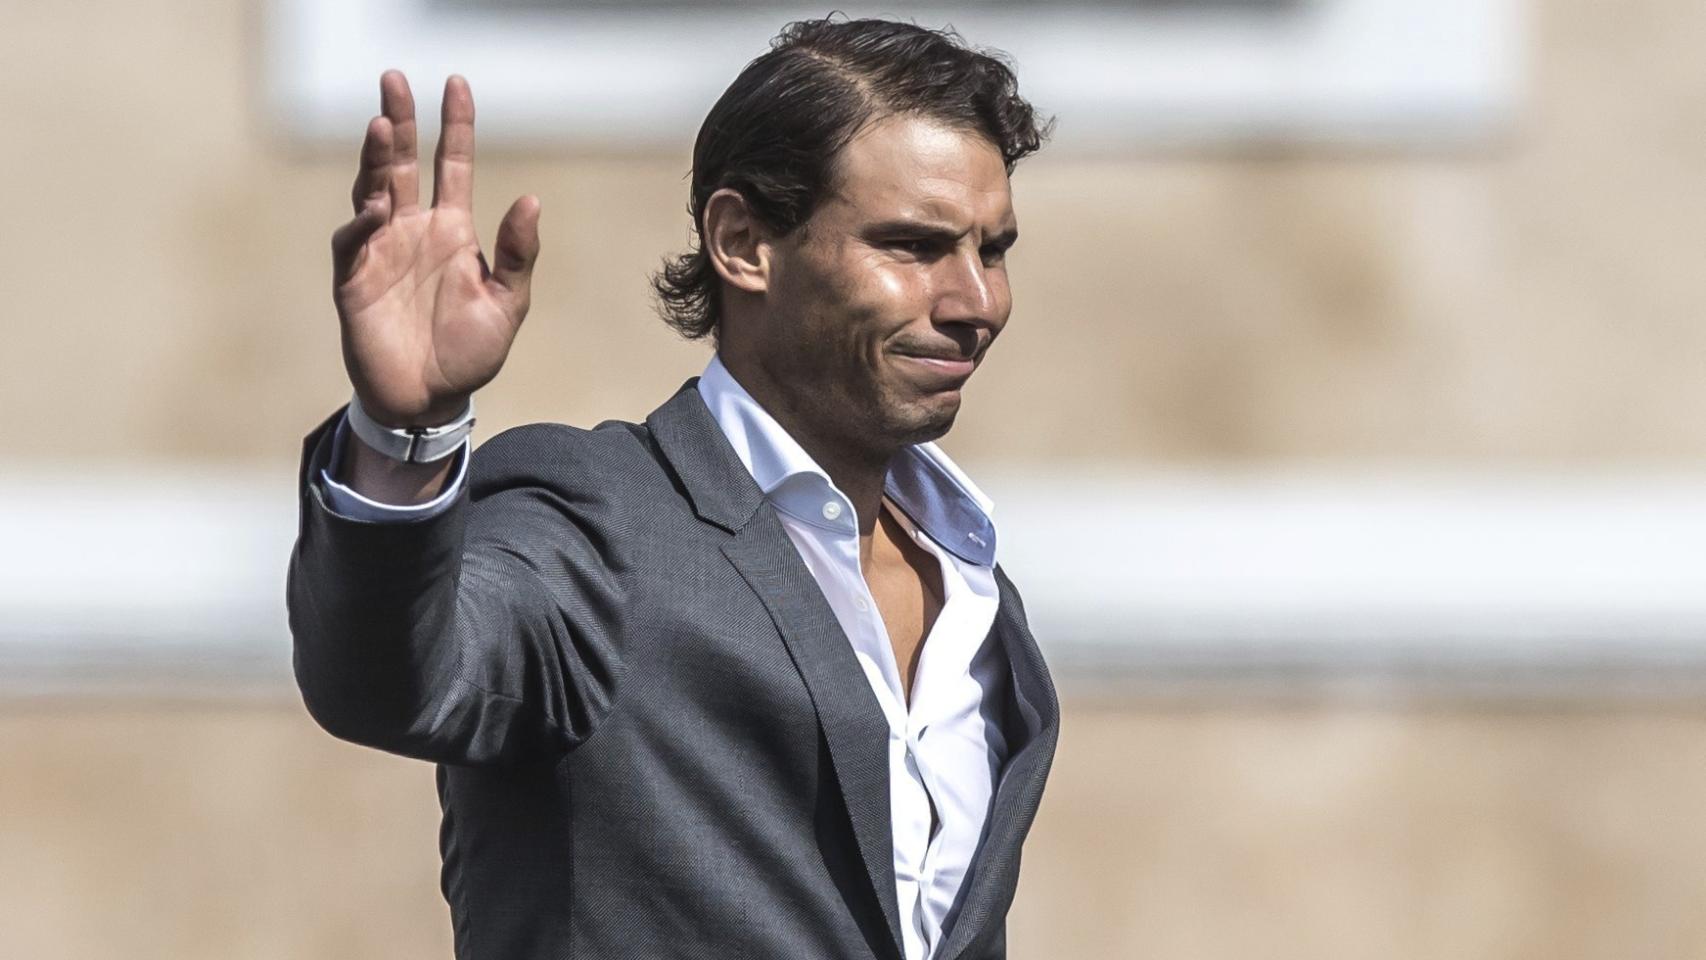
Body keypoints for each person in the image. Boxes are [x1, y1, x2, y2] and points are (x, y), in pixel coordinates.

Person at [287, 17, 1059, 960]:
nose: (976, 302)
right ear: (743, 242)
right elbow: (387, 683)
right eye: (912, 246)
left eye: (994, 250)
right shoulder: (595, 524)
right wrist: (403, 433)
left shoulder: (975, 584)